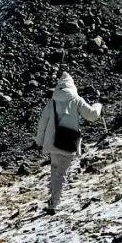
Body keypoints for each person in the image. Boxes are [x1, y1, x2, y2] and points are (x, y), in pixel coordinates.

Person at [34, 71, 102, 213]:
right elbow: (92, 116)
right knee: (61, 174)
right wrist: (98, 105)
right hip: (68, 142)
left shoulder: (52, 101)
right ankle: (54, 204)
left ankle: (53, 198)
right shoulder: (76, 99)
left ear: (59, 86)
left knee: (54, 170)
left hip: (52, 142)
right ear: (72, 86)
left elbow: (42, 122)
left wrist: (39, 140)